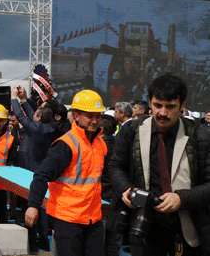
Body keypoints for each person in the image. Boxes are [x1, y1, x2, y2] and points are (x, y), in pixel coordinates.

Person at [108, 73, 210, 256]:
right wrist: (126, 189)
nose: (162, 113)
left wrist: (181, 198)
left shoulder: (201, 137)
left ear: (182, 105)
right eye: (157, 105)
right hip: (144, 227)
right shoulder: (132, 131)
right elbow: (116, 166)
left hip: (189, 229)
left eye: (170, 107)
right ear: (150, 102)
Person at [25, 89, 108, 256]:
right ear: (76, 116)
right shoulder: (66, 144)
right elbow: (41, 175)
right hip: (67, 219)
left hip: (93, 218)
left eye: (98, 116)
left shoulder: (100, 144)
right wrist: (33, 205)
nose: (95, 121)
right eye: (90, 116)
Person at [11, 86, 55, 252]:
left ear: (38, 118)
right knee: (41, 206)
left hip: (27, 172)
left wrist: (14, 98)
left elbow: (22, 116)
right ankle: (42, 241)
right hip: (37, 170)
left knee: (30, 207)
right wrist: (23, 99)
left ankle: (33, 244)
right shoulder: (47, 127)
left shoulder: (36, 128)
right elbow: (31, 115)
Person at [99, 114, 121, 256]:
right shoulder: (120, 147)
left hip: (100, 199)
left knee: (98, 244)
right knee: (112, 242)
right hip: (117, 198)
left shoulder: (98, 149)